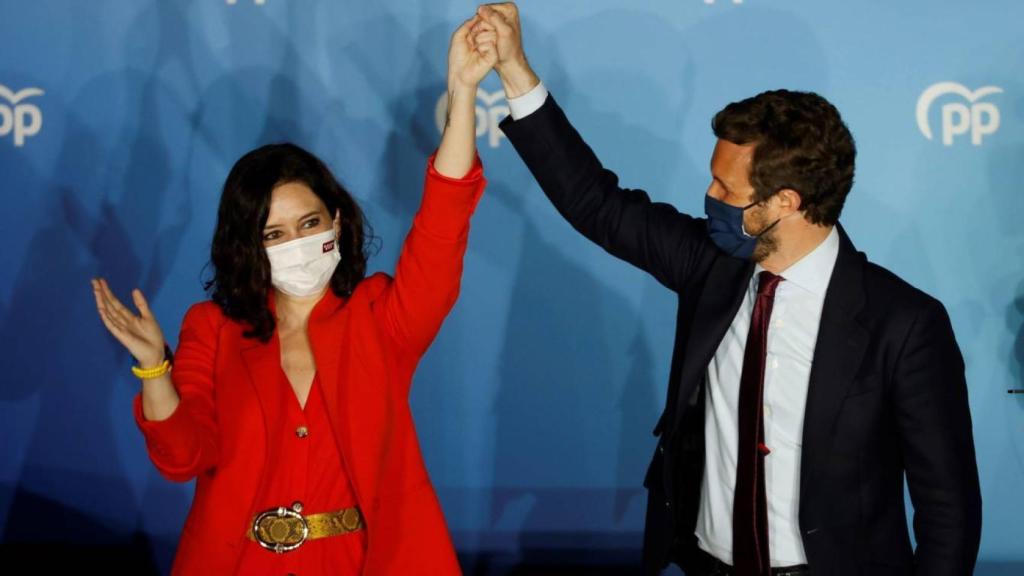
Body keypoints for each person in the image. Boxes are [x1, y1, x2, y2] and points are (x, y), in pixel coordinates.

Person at [470, 3, 982, 575]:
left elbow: (948, 511)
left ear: (785, 202)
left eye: (726, 187)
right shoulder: (710, 264)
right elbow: (596, 203)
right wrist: (514, 70)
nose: (709, 196)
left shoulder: (904, 323)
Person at [90, 17, 497, 575]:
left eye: (309, 224)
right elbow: (183, 458)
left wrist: (464, 91)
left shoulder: (380, 315)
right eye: (274, 234)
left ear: (336, 221)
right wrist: (153, 369)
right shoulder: (212, 328)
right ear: (248, 247)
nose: (297, 244)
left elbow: (442, 226)